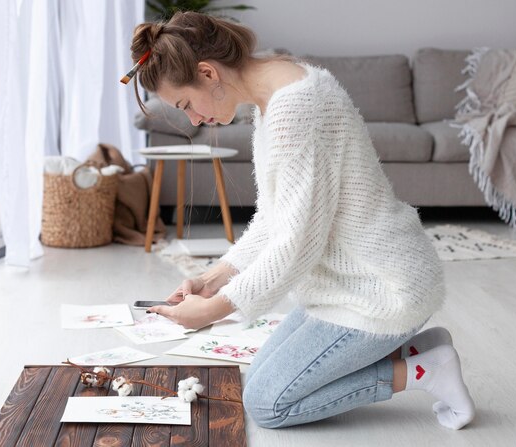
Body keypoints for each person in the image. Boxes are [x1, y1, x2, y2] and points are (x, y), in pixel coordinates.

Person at [125, 11, 475, 430]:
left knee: (267, 405)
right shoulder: (275, 86)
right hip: (345, 282)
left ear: (207, 72)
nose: (193, 120)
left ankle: (423, 369)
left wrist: (213, 311)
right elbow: (275, 218)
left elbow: (295, 243)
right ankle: (421, 350)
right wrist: (214, 278)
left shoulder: (295, 108)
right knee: (262, 377)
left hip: (381, 288)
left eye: (185, 104)